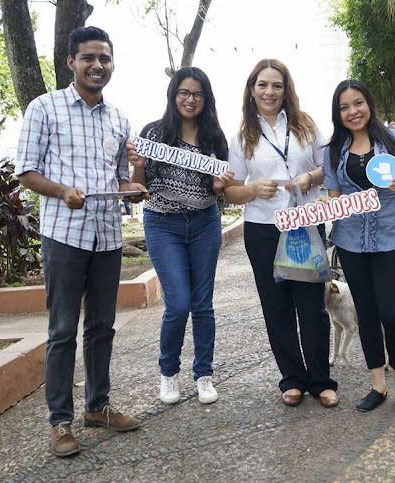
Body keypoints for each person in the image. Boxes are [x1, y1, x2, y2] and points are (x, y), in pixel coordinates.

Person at [15, 26, 147, 457]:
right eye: (88, 58)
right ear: (71, 62)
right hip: (64, 236)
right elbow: (27, 172)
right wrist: (61, 192)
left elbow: (120, 180)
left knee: (102, 327)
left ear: (112, 64)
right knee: (62, 330)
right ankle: (60, 422)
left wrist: (135, 180)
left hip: (107, 237)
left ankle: (98, 406)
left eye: (104, 59)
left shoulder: (119, 118)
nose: (97, 66)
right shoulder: (44, 108)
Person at [224, 59, 338, 408]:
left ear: (286, 89)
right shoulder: (243, 136)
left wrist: (311, 178)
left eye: (277, 85)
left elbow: (329, 166)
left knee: (312, 306)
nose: (270, 92)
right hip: (264, 229)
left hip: (305, 221)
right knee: (276, 307)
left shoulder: (306, 126)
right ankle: (291, 379)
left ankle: (321, 381)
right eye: (263, 85)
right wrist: (254, 189)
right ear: (251, 89)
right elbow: (229, 192)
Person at [126, 67, 234, 405]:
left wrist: (220, 185)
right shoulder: (154, 133)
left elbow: (220, 188)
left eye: (197, 94)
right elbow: (138, 183)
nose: (191, 99)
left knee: (203, 304)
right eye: (184, 93)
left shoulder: (215, 136)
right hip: (163, 224)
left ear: (206, 99)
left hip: (204, 223)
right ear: (174, 95)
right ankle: (168, 373)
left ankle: (204, 374)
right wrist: (139, 165)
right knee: (179, 304)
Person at [323, 79, 395, 415]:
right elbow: (334, 198)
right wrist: (327, 203)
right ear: (338, 114)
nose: (353, 111)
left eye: (358, 103)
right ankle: (378, 384)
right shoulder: (333, 149)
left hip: (390, 237)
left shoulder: (392, 139)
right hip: (350, 241)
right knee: (366, 314)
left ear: (369, 104)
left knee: (393, 313)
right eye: (344, 107)